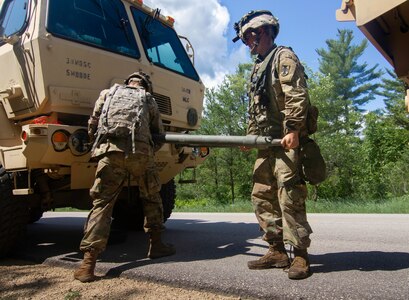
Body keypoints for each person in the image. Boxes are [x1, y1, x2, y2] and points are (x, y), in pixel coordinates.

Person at [233, 10, 313, 279]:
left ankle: (300, 254)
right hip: (266, 143)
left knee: (289, 196)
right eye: (244, 38)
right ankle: (276, 250)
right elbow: (256, 108)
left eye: (248, 36)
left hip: (285, 140)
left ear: (263, 31)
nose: (247, 43)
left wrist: (293, 130)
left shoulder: (283, 57)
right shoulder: (258, 65)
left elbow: (296, 95)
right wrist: (249, 136)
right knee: (261, 195)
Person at [74, 72, 175, 283]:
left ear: (128, 82)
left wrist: (101, 146)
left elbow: (93, 123)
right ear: (145, 86)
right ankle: (156, 245)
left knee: (102, 204)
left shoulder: (108, 93)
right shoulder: (148, 98)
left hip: (111, 152)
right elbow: (158, 132)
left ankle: (88, 265)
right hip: (141, 154)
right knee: (152, 196)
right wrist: (146, 150)